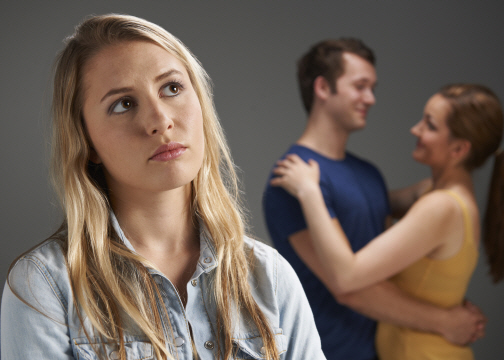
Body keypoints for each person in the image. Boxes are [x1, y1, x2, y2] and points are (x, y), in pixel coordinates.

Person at [0, 14, 325, 360]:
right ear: (87, 142)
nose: (160, 120)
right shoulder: (46, 286)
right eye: (123, 104)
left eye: (172, 88)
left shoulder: (269, 276)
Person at [263, 39, 487, 360]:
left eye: (373, 87)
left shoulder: (369, 174)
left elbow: (387, 270)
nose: (371, 98)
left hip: (386, 351)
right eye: (360, 86)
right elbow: (351, 290)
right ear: (324, 88)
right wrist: (445, 321)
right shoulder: (291, 179)